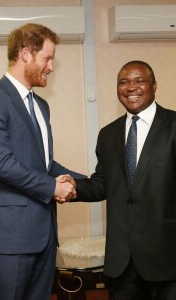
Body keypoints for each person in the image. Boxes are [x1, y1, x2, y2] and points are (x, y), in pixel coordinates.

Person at [0, 23, 85, 300]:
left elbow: (44, 165)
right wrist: (53, 188)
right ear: (25, 54)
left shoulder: (41, 105)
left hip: (44, 237)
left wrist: (91, 183)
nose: (51, 67)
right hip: (8, 240)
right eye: (47, 58)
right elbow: (0, 163)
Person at [73, 60, 176, 299]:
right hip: (123, 263)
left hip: (168, 260)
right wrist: (69, 187)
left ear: (154, 86)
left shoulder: (173, 126)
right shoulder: (108, 134)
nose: (131, 87)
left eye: (140, 80)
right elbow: (103, 185)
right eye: (124, 82)